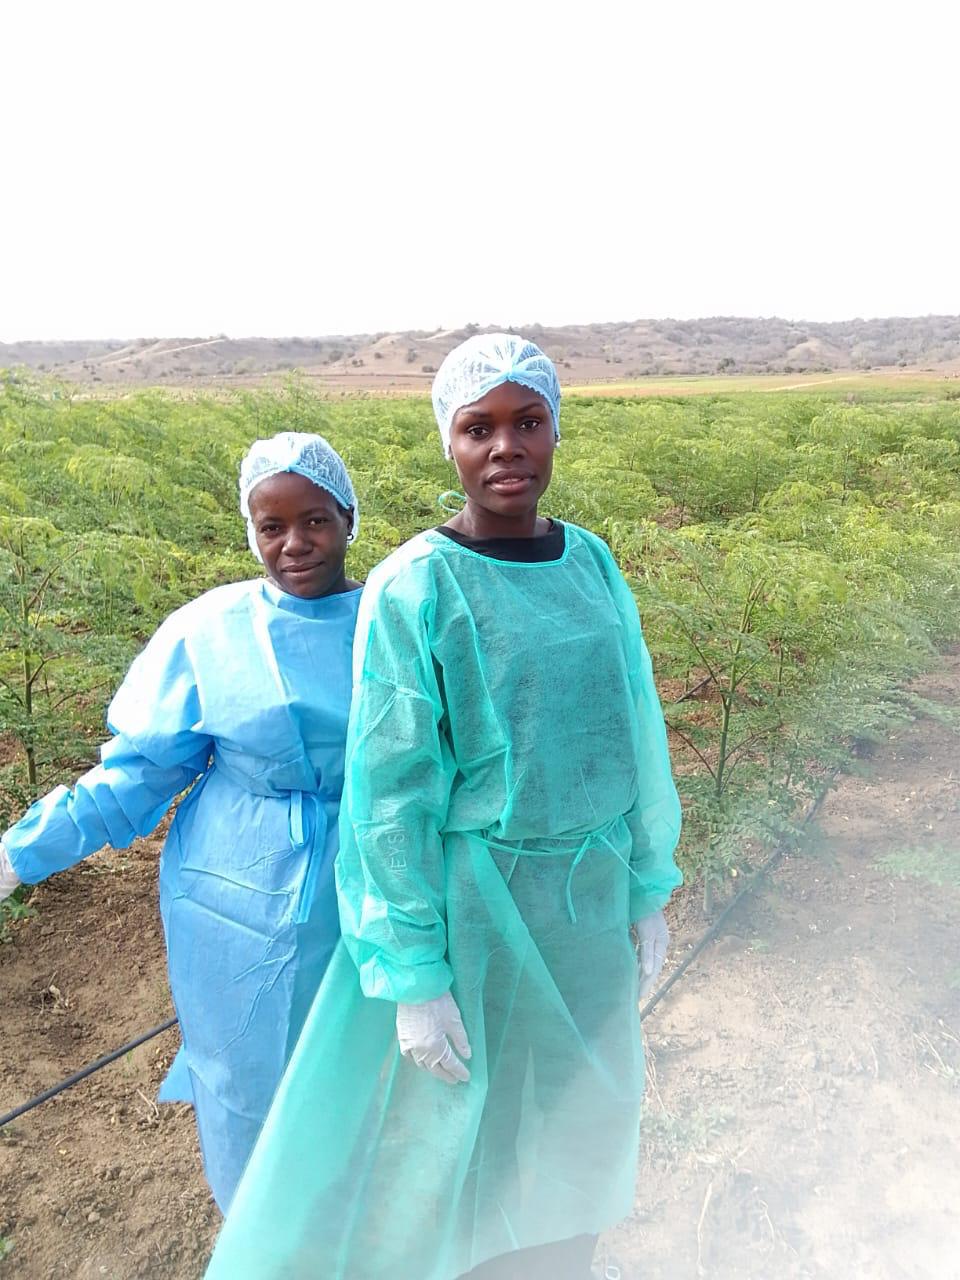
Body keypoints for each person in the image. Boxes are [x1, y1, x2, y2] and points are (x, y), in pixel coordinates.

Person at [203, 335, 682, 1280]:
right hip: (479, 915)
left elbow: (632, 724)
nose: (507, 447)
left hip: (585, 910)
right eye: (479, 427)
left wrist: (646, 878)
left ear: (554, 432)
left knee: (578, 1130)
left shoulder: (590, 564)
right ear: (449, 445)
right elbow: (391, 791)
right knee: (468, 1153)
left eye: (528, 421)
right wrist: (413, 968)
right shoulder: (416, 584)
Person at [0, 432, 362, 1211]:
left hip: (371, 892)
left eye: (315, 520)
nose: (294, 543)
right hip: (233, 906)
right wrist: (16, 856)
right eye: (272, 527)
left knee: (364, 1093)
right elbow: (134, 778)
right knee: (248, 1087)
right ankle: (261, 1241)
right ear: (251, 531)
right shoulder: (212, 633)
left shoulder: (396, 622)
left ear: (348, 518)